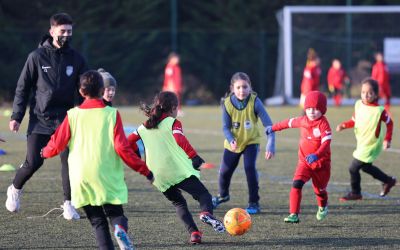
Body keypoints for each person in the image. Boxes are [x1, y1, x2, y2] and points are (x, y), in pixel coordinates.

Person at [41, 70, 154, 250]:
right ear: (102, 90)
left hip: (81, 176)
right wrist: (145, 171)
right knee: (116, 214)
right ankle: (119, 228)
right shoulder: (111, 114)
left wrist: (45, 152)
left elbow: (57, 144)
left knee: (97, 222)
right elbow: (122, 148)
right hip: (106, 174)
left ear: (81, 91)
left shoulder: (72, 115)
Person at [6, 13, 87, 220]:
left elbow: (86, 88)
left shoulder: (76, 59)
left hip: (66, 119)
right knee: (33, 162)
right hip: (40, 119)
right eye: (62, 32)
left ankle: (68, 204)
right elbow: (23, 88)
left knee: (68, 160)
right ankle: (15, 188)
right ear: (52, 32)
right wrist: (16, 116)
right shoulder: (36, 57)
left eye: (70, 32)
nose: (66, 35)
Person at [127, 91, 225, 245]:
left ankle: (194, 233)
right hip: (178, 171)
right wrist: (194, 157)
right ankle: (206, 213)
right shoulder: (173, 122)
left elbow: (128, 142)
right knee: (203, 195)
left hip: (157, 175)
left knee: (178, 203)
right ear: (173, 108)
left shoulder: (143, 126)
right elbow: (179, 139)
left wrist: (137, 154)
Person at [212, 72, 275, 215]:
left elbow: (269, 125)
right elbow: (225, 127)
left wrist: (271, 143)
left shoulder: (255, 101)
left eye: (245, 87)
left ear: (250, 87)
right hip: (233, 144)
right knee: (224, 172)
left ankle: (254, 203)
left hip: (251, 142)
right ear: (232, 88)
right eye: (238, 87)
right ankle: (223, 195)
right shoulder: (227, 103)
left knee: (249, 168)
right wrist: (230, 139)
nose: (242, 90)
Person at [266, 91, 331, 223]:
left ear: (322, 110)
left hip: (321, 164)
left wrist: (316, 155)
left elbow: (326, 143)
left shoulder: (324, 124)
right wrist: (273, 128)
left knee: (320, 191)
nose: (312, 111)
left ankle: (323, 206)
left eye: (316, 108)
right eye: (309, 108)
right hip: (304, 162)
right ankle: (293, 214)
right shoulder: (302, 121)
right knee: (296, 184)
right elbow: (287, 123)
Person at [337, 78, 396, 201]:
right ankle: (388, 181)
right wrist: (344, 125)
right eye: (363, 92)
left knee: (353, 168)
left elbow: (390, 123)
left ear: (375, 94)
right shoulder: (359, 105)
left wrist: (387, 139)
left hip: (371, 144)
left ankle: (356, 193)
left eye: (369, 93)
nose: (366, 95)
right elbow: (354, 121)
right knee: (366, 167)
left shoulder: (379, 111)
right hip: (362, 142)